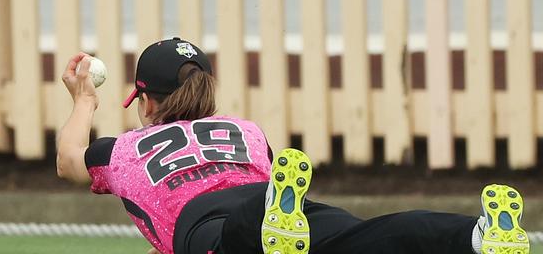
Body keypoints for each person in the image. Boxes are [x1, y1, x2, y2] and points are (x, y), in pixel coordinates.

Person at [55, 37, 531, 254]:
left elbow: (68, 160)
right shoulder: (246, 130)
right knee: (368, 238)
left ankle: (268, 225)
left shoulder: (126, 149)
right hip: (280, 206)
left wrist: (84, 101)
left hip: (208, 225)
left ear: (148, 102)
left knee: (236, 238)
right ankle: (476, 233)